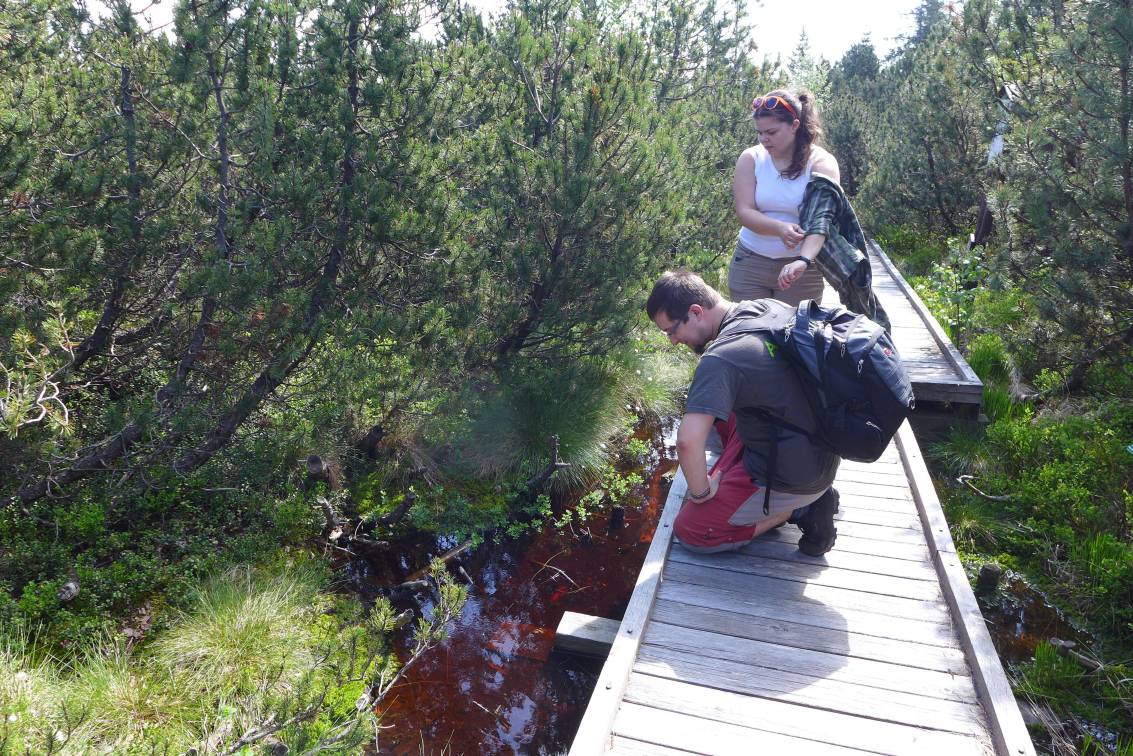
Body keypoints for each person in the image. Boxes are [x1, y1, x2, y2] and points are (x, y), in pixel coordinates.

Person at [646, 269, 839, 555]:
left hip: (793, 476)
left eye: (671, 330)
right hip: (819, 449)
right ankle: (779, 493)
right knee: (712, 409)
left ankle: (802, 509)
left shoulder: (721, 358)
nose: (673, 341)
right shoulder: (764, 308)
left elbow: (687, 442)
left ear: (696, 311)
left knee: (692, 531)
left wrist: (701, 492)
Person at [730, 88, 840, 306]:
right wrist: (779, 228)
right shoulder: (751, 159)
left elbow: (822, 222)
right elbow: (744, 211)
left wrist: (803, 260)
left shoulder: (821, 164)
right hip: (750, 264)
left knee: (796, 337)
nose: (764, 139)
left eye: (771, 132)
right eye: (759, 132)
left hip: (801, 271)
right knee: (750, 336)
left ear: (794, 125)